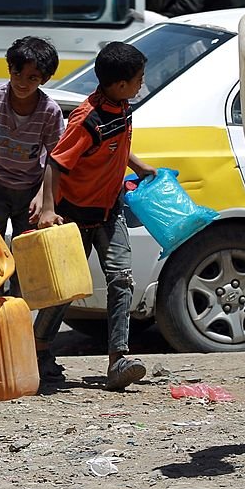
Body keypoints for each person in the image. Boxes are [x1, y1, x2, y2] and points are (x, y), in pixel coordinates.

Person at [33, 42, 157, 390]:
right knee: (65, 289)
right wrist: (47, 209)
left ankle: (118, 359)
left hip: (109, 209)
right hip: (74, 215)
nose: (140, 85)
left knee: (121, 279)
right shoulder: (87, 119)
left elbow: (119, 144)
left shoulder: (122, 108)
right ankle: (39, 350)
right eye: (138, 79)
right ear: (119, 84)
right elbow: (55, 163)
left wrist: (138, 165)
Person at [0, 36, 64, 294]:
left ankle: (17, 304)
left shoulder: (49, 111)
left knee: (25, 252)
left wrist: (45, 201)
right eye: (17, 73)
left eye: (32, 77)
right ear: (9, 68)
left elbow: (55, 158)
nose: (22, 82)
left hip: (30, 191)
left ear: (44, 78)